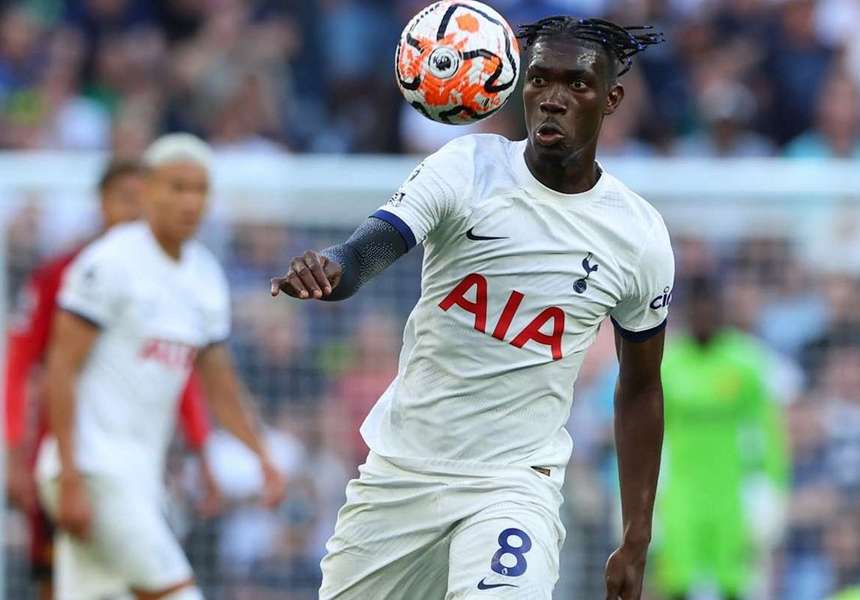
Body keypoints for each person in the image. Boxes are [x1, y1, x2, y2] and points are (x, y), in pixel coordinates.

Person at [273, 16, 672, 600]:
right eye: (539, 81)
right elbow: (370, 247)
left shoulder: (637, 236)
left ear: (611, 98)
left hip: (512, 485)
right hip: (402, 472)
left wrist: (636, 538)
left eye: (577, 85)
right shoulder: (468, 168)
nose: (553, 100)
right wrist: (333, 269)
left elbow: (640, 389)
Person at [35, 134, 285, 600]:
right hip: (91, 468)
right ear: (148, 189)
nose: (190, 202)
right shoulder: (108, 263)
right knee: (177, 592)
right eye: (177, 187)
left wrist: (261, 453)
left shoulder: (205, 275)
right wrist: (70, 473)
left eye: (200, 189)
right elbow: (60, 367)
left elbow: (219, 384)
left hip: (138, 476)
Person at [3, 159, 217, 600]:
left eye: (143, 199)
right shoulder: (66, 272)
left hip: (135, 467)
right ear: (101, 204)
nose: (136, 209)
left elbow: (178, 374)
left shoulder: (172, 275)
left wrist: (201, 448)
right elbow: (26, 364)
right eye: (126, 198)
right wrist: (15, 448)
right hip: (72, 461)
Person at [653, 275, 788, 600]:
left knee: (736, 583)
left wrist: (773, 487)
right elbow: (649, 433)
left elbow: (767, 430)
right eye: (697, 312)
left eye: (710, 312)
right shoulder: (668, 365)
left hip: (733, 493)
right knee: (675, 581)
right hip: (680, 493)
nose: (704, 319)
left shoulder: (746, 363)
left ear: (721, 314)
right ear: (686, 314)